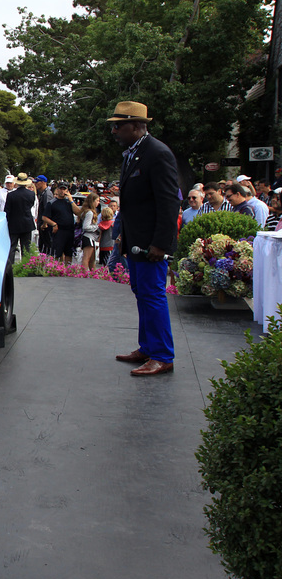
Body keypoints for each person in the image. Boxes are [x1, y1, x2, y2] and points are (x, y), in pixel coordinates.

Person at [108, 101, 180, 377]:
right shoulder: (133, 153)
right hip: (136, 240)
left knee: (152, 296)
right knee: (142, 293)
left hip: (151, 243)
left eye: (119, 125)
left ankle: (162, 355)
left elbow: (168, 203)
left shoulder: (157, 153)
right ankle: (149, 347)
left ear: (137, 126)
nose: (114, 131)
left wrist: (161, 244)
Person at [41, 182, 79, 263]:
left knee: (69, 252)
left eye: (64, 189)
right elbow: (44, 217)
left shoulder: (69, 202)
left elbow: (78, 213)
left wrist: (71, 201)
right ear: (57, 190)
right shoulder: (52, 203)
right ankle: (58, 268)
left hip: (69, 230)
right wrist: (53, 224)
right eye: (60, 189)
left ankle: (68, 269)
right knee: (58, 252)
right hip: (59, 230)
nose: (62, 191)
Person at [3, 173, 37, 260]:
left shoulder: (11, 195)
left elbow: (7, 211)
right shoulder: (31, 194)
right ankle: (25, 265)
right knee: (26, 248)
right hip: (27, 223)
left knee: (12, 247)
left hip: (14, 223)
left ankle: (10, 267)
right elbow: (31, 205)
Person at [78, 192, 101, 270]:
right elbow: (86, 226)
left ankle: (92, 274)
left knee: (92, 259)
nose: (98, 202)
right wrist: (96, 227)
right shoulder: (90, 213)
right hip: (88, 237)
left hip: (90, 238)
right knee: (86, 258)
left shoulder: (86, 211)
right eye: (97, 200)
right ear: (92, 201)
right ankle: (84, 274)